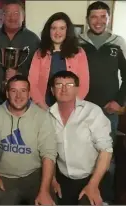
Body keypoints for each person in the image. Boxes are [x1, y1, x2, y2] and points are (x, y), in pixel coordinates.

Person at [0, 75, 57, 205]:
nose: (18, 96)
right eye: (13, 91)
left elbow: (49, 155)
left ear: (29, 94)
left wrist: (45, 189)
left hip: (33, 175)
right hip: (2, 175)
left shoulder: (42, 116)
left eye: (23, 91)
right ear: (7, 93)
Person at [79, 1, 126, 203]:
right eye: (94, 17)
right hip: (80, 109)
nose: (98, 21)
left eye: (103, 17)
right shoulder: (77, 42)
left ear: (108, 18)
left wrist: (119, 101)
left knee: (108, 157)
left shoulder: (119, 42)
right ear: (88, 19)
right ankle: (82, 194)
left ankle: (104, 197)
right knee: (81, 153)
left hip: (108, 110)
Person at [49, 71, 113, 205]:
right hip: (63, 179)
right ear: (52, 90)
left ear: (77, 89)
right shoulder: (47, 116)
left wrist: (93, 185)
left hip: (94, 177)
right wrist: (52, 179)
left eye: (70, 84)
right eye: (59, 84)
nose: (64, 88)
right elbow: (48, 152)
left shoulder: (92, 112)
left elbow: (106, 150)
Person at [0, 0, 40, 117]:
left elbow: (40, 72)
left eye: (16, 13)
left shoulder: (33, 40)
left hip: (21, 101)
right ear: (3, 16)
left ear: (23, 17)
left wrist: (19, 74)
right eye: (8, 13)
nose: (12, 17)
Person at [28, 12, 89, 110]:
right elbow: (32, 83)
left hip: (72, 109)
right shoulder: (39, 53)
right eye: (53, 28)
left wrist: (71, 106)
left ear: (67, 30)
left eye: (62, 28)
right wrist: (43, 107)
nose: (57, 32)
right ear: (49, 31)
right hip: (43, 108)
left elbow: (84, 85)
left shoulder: (79, 53)